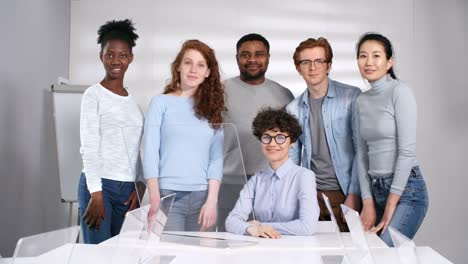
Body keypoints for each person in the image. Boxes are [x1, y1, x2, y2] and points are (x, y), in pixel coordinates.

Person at [355, 33, 429, 246]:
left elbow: (407, 152)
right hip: (375, 189)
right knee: (366, 254)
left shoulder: (400, 92)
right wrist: (367, 201)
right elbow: (361, 154)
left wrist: (390, 206)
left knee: (385, 253)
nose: (369, 62)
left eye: (376, 56)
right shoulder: (360, 100)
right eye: (363, 56)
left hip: (407, 190)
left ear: (389, 62)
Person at [143, 40, 225, 232]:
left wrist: (212, 201)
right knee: (172, 258)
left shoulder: (213, 109)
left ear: (208, 72)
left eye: (200, 65)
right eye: (188, 62)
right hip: (168, 196)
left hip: (202, 197)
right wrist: (155, 199)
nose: (193, 69)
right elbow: (150, 152)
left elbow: (216, 159)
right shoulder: (160, 103)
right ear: (178, 66)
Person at [78, 19, 145, 244]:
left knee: (121, 253)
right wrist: (96, 193)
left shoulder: (135, 105)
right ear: (101, 57)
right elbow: (88, 146)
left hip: (127, 191)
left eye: (123, 55)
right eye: (109, 55)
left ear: (131, 58)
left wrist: (140, 185)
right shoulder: (93, 95)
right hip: (100, 186)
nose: (116, 61)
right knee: (97, 255)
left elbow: (137, 150)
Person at [219, 33, 295, 231]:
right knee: (228, 247)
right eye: (245, 55)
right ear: (237, 58)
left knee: (270, 247)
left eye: (259, 54)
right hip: (229, 184)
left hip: (272, 185)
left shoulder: (284, 94)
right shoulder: (219, 91)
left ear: (268, 57)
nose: (252, 59)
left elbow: (291, 142)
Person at [286, 38, 361, 232]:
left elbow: (362, 151)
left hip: (345, 192)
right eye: (305, 62)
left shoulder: (351, 97)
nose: (313, 67)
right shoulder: (293, 109)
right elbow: (293, 158)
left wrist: (354, 194)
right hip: (312, 196)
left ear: (328, 65)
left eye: (319, 61)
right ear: (298, 68)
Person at [225, 108, 319, 237]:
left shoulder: (304, 176)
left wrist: (260, 226)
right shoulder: (256, 179)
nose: (272, 143)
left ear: (292, 142)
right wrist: (250, 229)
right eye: (266, 137)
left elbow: (307, 227)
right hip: (262, 249)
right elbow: (231, 222)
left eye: (280, 137)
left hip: (294, 251)